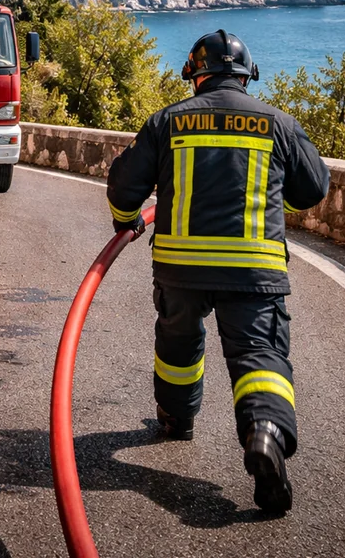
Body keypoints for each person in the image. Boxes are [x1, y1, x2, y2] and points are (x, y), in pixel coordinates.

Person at [106, 30, 329, 515]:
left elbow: (124, 188)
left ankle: (177, 419)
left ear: (194, 74)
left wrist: (127, 222)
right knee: (259, 354)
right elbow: (312, 190)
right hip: (253, 270)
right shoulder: (278, 123)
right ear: (248, 76)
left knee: (179, 347)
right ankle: (264, 433)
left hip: (181, 268)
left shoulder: (167, 121)